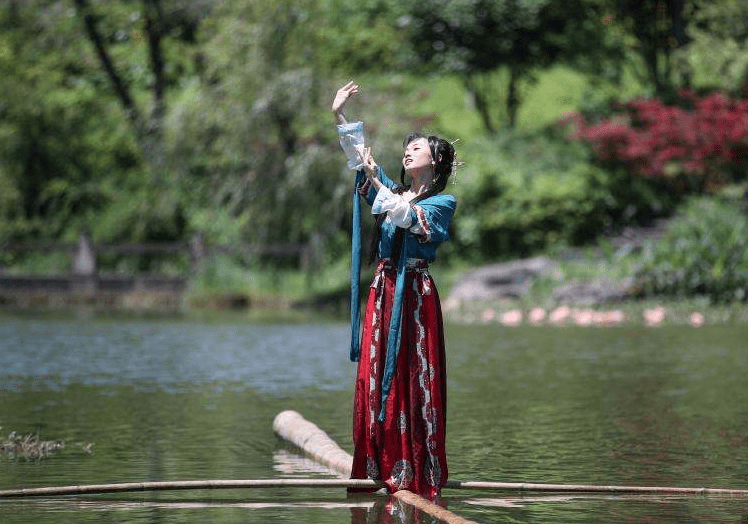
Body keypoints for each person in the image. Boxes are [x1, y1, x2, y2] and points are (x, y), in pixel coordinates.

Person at [332, 81, 457, 501]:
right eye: (407, 149)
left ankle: (414, 467)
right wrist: (341, 118)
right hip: (384, 293)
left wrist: (373, 177)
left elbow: (404, 215)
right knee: (375, 375)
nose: (407, 153)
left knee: (412, 376)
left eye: (416, 148)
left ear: (436, 159)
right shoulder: (393, 190)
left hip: (415, 297)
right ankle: (378, 462)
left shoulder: (443, 203)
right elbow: (365, 171)